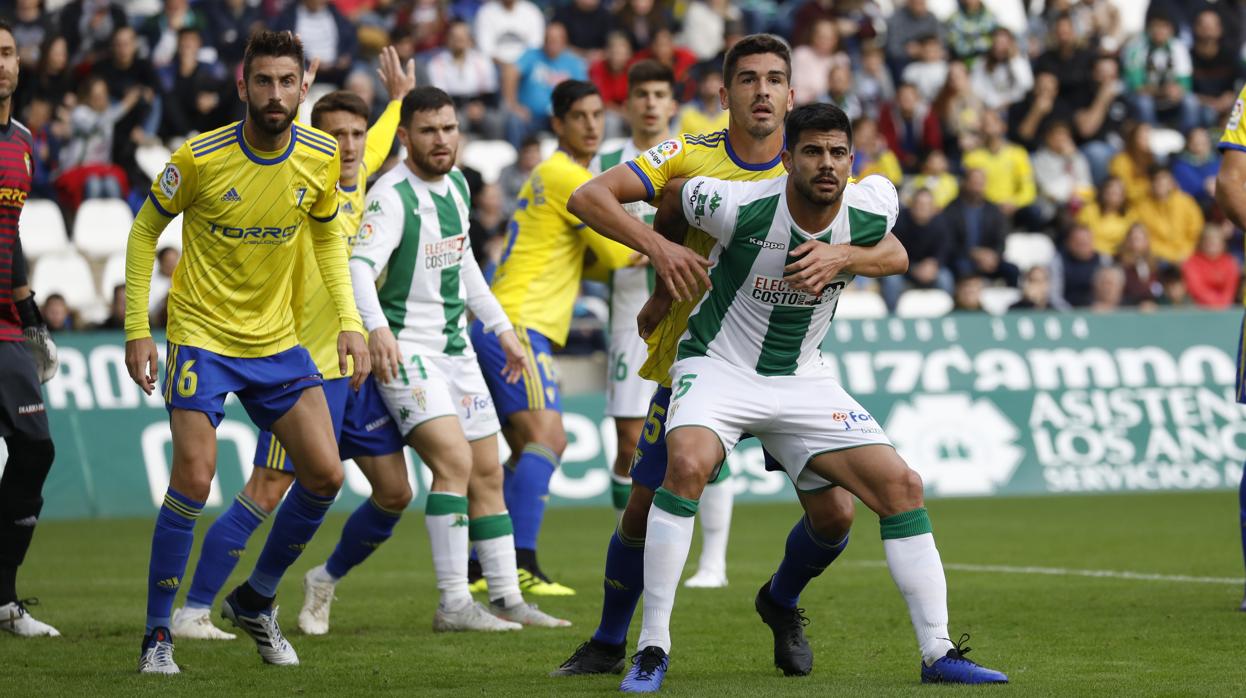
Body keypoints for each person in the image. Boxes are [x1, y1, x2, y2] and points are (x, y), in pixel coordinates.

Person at [618, 103, 1008, 691]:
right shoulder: (735, 202)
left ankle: (937, 653)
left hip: (802, 377)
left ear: (852, 160)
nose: (826, 165)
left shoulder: (871, 202)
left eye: (837, 153)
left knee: (889, 493)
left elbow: (898, 255)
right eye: (813, 152)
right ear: (788, 158)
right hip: (719, 366)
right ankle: (652, 648)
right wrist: (662, 286)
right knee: (689, 465)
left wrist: (843, 255)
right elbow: (671, 198)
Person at [560, 34, 903, 681]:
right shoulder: (689, 154)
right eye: (748, 80)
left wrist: (846, 257)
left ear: (793, 95)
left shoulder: (815, 162)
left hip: (790, 367)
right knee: (648, 500)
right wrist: (663, 264)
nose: (763, 91)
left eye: (776, 79)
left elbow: (887, 244)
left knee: (835, 515)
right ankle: (611, 641)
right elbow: (593, 197)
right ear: (724, 95)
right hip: (702, 361)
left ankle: (782, 602)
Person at [123, 31, 371, 674]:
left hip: (277, 341)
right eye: (264, 81)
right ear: (243, 85)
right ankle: (158, 635)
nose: (275, 94)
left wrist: (348, 320)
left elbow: (326, 240)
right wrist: (135, 329)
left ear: (301, 88)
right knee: (196, 478)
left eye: (287, 82)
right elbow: (146, 230)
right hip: (202, 338)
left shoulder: (319, 155)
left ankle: (256, 599)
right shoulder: (200, 158)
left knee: (326, 475)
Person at [167, 47, 415, 642]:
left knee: (395, 490)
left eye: (357, 136)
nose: (351, 147)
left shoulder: (356, 181)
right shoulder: (300, 182)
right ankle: (196, 607)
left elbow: (379, 135)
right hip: (302, 364)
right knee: (269, 489)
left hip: (355, 369)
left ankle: (298, 584)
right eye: (338, 137)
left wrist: (399, 100)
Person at [346, 86, 570, 631]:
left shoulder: (457, 188)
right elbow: (358, 268)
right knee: (454, 465)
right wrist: (377, 331)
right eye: (428, 130)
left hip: (458, 351)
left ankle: (507, 598)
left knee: (488, 474)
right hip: (410, 353)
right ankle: (452, 604)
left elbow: (465, 264)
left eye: (448, 128)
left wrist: (502, 330)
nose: (442, 139)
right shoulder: (391, 196)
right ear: (405, 137)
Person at [470, 80, 634, 596]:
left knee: (523, 450)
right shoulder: (569, 176)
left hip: (501, 319)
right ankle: (519, 563)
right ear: (557, 124)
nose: (591, 124)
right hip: (519, 326)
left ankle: (480, 567)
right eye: (579, 116)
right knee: (549, 438)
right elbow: (615, 258)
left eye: (597, 114)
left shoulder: (552, 175)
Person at [589, 60, 732, 588]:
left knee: (708, 440)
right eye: (640, 95)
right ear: (627, 105)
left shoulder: (696, 157)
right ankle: (632, 546)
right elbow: (590, 236)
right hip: (631, 314)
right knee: (630, 444)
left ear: (674, 105)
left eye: (660, 95)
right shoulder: (607, 163)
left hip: (698, 306)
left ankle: (712, 563)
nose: (650, 103)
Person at [0, 19, 59, 638]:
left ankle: (2, 596)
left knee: (36, 448)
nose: (1, 64)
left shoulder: (21, 141)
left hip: (7, 326)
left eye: (8, 53)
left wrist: (33, 316)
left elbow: (9, 233)